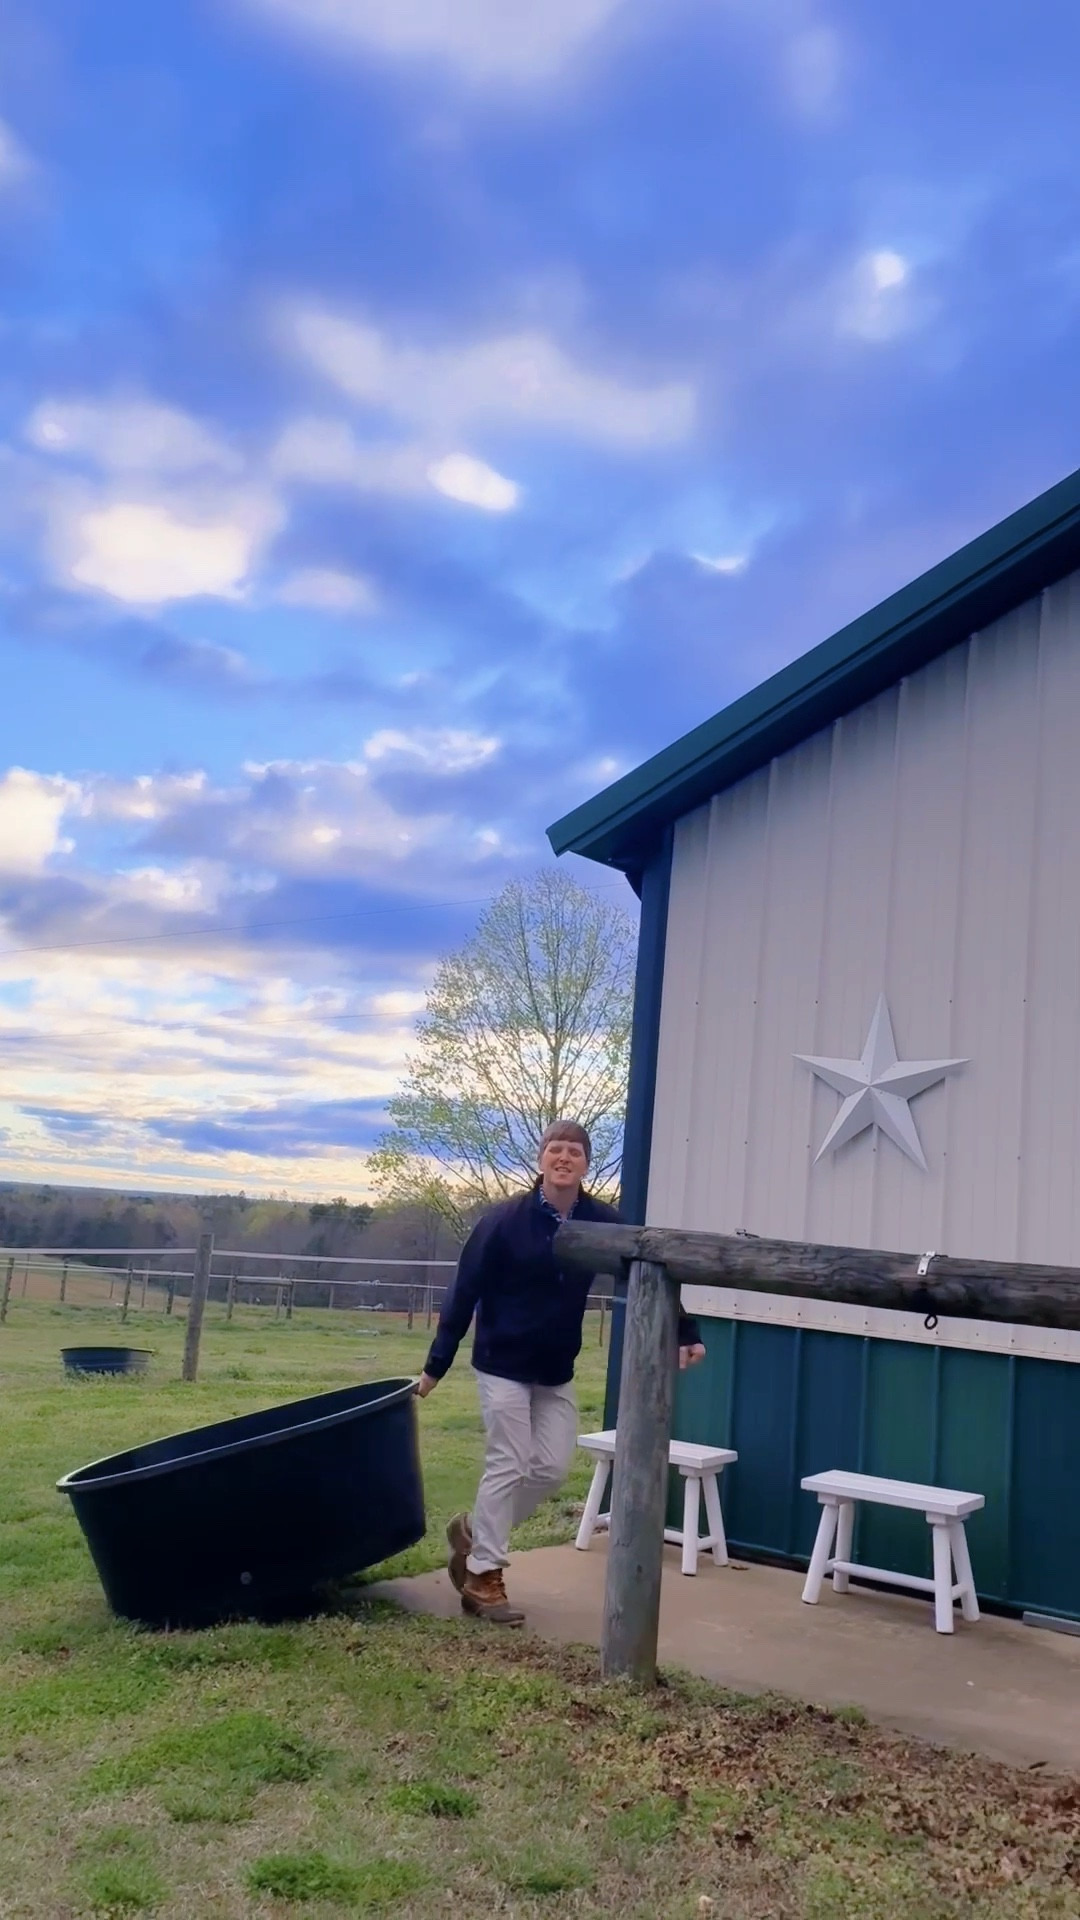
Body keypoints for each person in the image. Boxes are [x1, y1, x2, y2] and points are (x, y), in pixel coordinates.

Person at [414, 1120, 706, 1626]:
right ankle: (482, 1577)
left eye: (575, 1151)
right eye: (556, 1149)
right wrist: (436, 1364)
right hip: (502, 1363)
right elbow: (464, 1291)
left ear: (586, 1164)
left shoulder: (600, 1222)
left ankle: (475, 1534)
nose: (564, 1157)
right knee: (509, 1461)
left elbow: (646, 1267)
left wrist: (685, 1330)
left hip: (554, 1369)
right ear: (541, 1159)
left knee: (550, 1468)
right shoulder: (504, 1221)